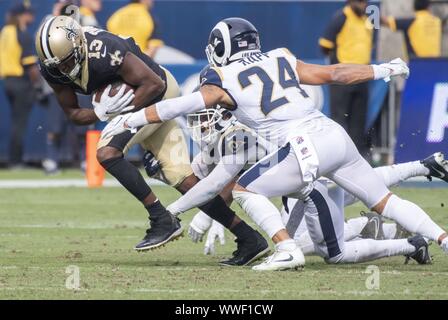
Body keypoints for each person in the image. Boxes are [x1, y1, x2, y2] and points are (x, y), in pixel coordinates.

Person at [102, 17, 448, 271]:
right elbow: (335, 74)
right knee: (385, 201)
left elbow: (181, 105)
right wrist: (381, 69)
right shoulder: (280, 57)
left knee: (244, 189)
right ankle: (441, 238)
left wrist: (133, 118)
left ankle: (285, 248)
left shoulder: (221, 77)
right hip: (333, 135)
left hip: (303, 147)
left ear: (221, 48)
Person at [35, 15, 268, 266]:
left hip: (159, 92)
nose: (64, 70)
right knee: (184, 179)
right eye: (57, 65)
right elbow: (72, 113)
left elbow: (153, 84)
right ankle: (249, 238)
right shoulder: (52, 67)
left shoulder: (105, 50)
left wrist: (122, 114)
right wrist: (99, 113)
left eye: (68, 61)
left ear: (79, 45)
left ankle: (161, 218)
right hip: (141, 100)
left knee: (107, 152)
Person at [146, 107, 447, 265]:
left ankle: (387, 232)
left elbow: (218, 185)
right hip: (303, 179)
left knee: (312, 245)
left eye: (205, 121)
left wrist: (200, 216)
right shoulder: (221, 140)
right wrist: (166, 172)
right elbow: (197, 177)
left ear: (224, 118)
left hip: (306, 180)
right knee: (362, 191)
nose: (199, 128)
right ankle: (416, 176)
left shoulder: (240, 137)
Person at [319, 0, 373, 160]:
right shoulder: (341, 17)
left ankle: (357, 159)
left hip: (362, 76)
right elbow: (324, 44)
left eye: (365, 2)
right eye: (360, 1)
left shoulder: (366, 20)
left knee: (359, 120)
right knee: (340, 119)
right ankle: (337, 158)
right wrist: (339, 65)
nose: (363, 4)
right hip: (343, 77)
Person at [0, 1, 40, 168]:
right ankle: (16, 161)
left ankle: (14, 159)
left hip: (8, 81)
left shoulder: (5, 31)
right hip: (20, 82)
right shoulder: (22, 34)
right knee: (20, 123)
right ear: (21, 16)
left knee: (16, 121)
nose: (32, 17)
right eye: (29, 14)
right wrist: (38, 85)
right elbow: (30, 66)